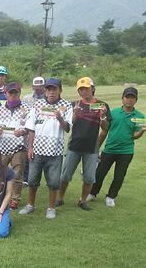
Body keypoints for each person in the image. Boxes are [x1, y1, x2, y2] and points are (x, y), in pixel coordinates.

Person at [21, 78, 72, 219]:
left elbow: (67, 128)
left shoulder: (66, 105)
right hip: (37, 150)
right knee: (32, 180)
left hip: (55, 151)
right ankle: (30, 205)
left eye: (54, 89)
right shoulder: (38, 104)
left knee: (54, 182)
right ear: (45, 90)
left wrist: (60, 119)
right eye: (49, 89)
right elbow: (31, 128)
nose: (51, 92)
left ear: (60, 90)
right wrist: (30, 148)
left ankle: (51, 208)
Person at [57, 77, 110, 210]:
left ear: (92, 88)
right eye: (81, 89)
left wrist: (102, 116)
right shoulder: (74, 104)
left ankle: (82, 200)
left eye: (86, 88)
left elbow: (105, 128)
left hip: (91, 148)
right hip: (74, 146)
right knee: (65, 175)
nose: (83, 91)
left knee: (89, 177)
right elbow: (69, 124)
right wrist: (75, 114)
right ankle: (59, 198)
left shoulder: (102, 105)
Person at [90, 87, 145, 207]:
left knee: (119, 176)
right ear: (122, 98)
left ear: (136, 100)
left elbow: (135, 135)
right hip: (109, 149)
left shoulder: (139, 116)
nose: (129, 100)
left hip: (126, 151)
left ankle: (111, 196)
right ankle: (92, 193)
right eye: (127, 97)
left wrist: (141, 132)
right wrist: (103, 117)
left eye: (132, 98)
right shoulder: (113, 113)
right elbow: (105, 128)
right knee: (100, 173)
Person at [0, 82, 31, 210]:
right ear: (5, 94)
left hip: (19, 146)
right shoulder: (0, 110)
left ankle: (14, 199)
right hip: (1, 147)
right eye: (10, 93)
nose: (13, 95)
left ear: (19, 93)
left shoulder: (27, 109)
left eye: (15, 92)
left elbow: (30, 127)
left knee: (17, 174)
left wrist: (23, 131)